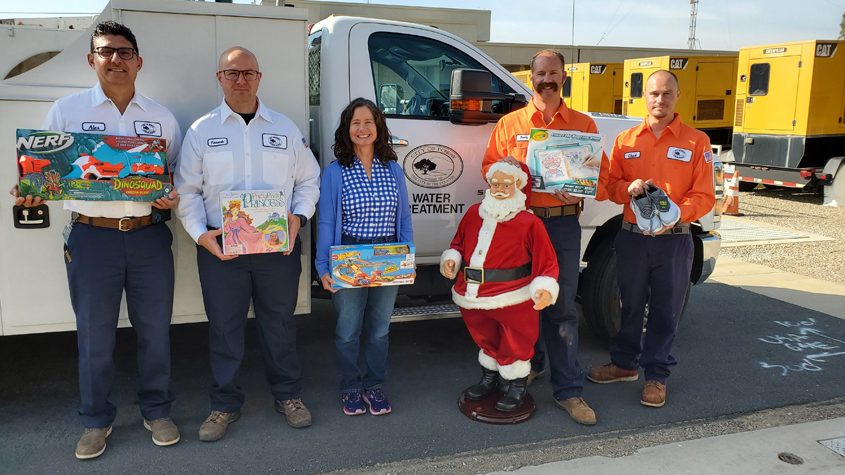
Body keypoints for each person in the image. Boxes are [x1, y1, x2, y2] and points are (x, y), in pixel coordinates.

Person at [10, 21, 182, 459]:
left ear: (139, 61)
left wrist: (173, 195)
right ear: (92, 60)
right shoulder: (65, 111)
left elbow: (175, 175)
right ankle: (95, 419)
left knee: (155, 332)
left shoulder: (160, 118)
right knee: (94, 335)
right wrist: (31, 187)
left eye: (124, 52)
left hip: (148, 239)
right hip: (91, 238)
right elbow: (46, 172)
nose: (115, 60)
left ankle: (157, 411)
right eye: (106, 52)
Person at [175, 46, 320, 441]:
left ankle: (288, 396)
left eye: (248, 73)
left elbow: (309, 180)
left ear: (260, 78)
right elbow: (185, 190)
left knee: (280, 326)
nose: (240, 80)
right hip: (222, 251)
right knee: (224, 329)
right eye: (232, 73)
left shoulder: (286, 129)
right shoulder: (201, 131)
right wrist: (199, 234)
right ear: (219, 78)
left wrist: (298, 217)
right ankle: (224, 405)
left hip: (278, 250)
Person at [481, 49, 604, 425]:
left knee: (562, 305)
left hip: (562, 223)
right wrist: (509, 171)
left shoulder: (583, 126)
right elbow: (488, 168)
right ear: (530, 77)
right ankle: (530, 366)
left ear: (564, 77)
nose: (546, 79)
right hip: (519, 224)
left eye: (553, 73)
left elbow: (599, 178)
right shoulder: (510, 123)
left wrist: (582, 188)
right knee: (520, 302)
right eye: (540, 73)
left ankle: (569, 390)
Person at [587, 70, 715, 408]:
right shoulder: (626, 140)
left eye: (667, 94)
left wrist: (676, 213)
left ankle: (656, 376)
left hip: (674, 240)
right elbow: (608, 187)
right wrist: (624, 189)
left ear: (677, 96)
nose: (660, 100)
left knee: (664, 310)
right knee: (628, 305)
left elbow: (705, 195)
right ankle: (624, 365)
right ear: (644, 96)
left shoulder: (695, 141)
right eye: (654, 94)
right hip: (632, 239)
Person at [315, 98, 413, 416]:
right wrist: (322, 264)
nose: (362, 128)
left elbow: (404, 217)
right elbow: (327, 220)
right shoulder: (335, 172)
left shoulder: (393, 170)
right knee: (348, 328)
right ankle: (350, 386)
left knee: (380, 328)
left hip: (388, 254)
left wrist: (406, 256)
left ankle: (374, 385)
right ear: (347, 129)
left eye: (368, 122)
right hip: (349, 254)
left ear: (378, 127)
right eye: (355, 123)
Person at [441, 160, 559, 412]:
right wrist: (452, 259)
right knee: (485, 337)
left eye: (506, 184)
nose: (499, 188)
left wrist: (545, 287)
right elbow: (459, 243)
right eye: (495, 183)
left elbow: (546, 259)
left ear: (518, 185)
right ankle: (490, 378)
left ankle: (516, 383)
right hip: (472, 294)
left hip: (512, 296)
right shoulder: (474, 213)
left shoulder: (529, 223)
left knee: (516, 341)